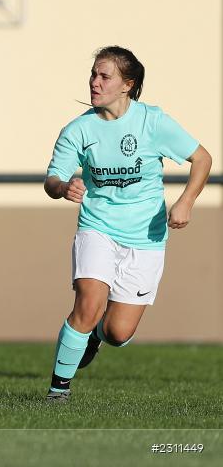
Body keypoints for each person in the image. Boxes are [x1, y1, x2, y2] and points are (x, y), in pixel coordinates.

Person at [43, 46, 211, 402]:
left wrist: (186, 202)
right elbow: (53, 179)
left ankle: (93, 338)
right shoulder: (79, 130)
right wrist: (63, 187)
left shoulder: (152, 122)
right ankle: (58, 392)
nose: (95, 81)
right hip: (97, 227)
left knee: (118, 332)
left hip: (145, 237)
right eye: (93, 74)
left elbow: (201, 158)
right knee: (88, 305)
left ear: (127, 85)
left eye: (105, 76)